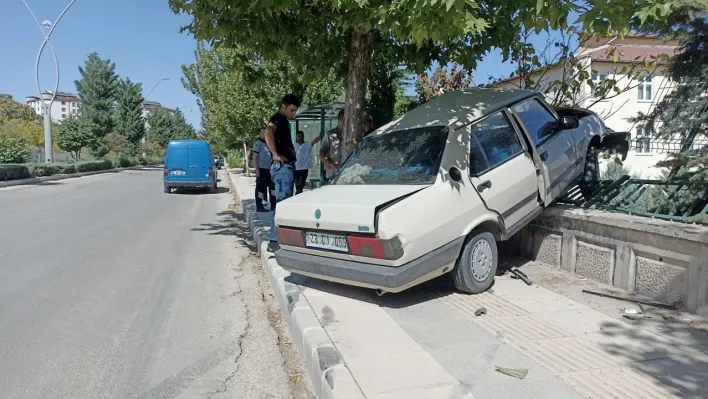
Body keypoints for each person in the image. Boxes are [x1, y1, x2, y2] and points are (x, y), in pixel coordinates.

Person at [264, 94, 300, 252]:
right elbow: (268, 132)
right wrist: (275, 154)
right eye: (292, 110)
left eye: (295, 110)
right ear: (284, 106)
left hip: (286, 167)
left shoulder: (283, 121)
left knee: (282, 203)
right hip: (283, 168)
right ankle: (274, 240)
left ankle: (278, 239)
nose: (294, 113)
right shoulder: (277, 118)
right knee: (282, 204)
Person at [252, 128, 275, 212]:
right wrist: (257, 169)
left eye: (266, 133)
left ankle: (273, 204)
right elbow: (255, 157)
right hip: (262, 170)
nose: (265, 134)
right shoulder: (258, 144)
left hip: (270, 169)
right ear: (260, 134)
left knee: (273, 188)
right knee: (260, 188)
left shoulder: (269, 143)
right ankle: (259, 206)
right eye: (263, 133)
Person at [319, 108, 344, 183]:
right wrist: (332, 164)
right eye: (342, 119)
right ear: (338, 120)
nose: (344, 122)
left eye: (347, 120)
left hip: (347, 176)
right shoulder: (329, 135)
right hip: (332, 175)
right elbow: (321, 155)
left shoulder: (351, 135)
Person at [294, 130, 320, 194]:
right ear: (296, 137)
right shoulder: (294, 145)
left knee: (300, 186)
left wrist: (320, 136)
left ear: (303, 136)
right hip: (296, 168)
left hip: (304, 168)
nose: (300, 137)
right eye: (298, 136)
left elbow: (314, 141)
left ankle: (298, 196)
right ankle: (298, 198)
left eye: (301, 136)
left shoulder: (308, 144)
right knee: (297, 186)